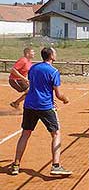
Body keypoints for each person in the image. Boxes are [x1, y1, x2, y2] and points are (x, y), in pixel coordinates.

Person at [10, 47, 71, 176]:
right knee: (56, 134)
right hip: (45, 106)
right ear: (51, 56)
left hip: (30, 105)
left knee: (25, 134)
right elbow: (59, 94)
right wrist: (65, 99)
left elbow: (37, 86)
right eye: (55, 52)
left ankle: (16, 165)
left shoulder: (33, 68)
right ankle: (56, 165)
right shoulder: (53, 71)